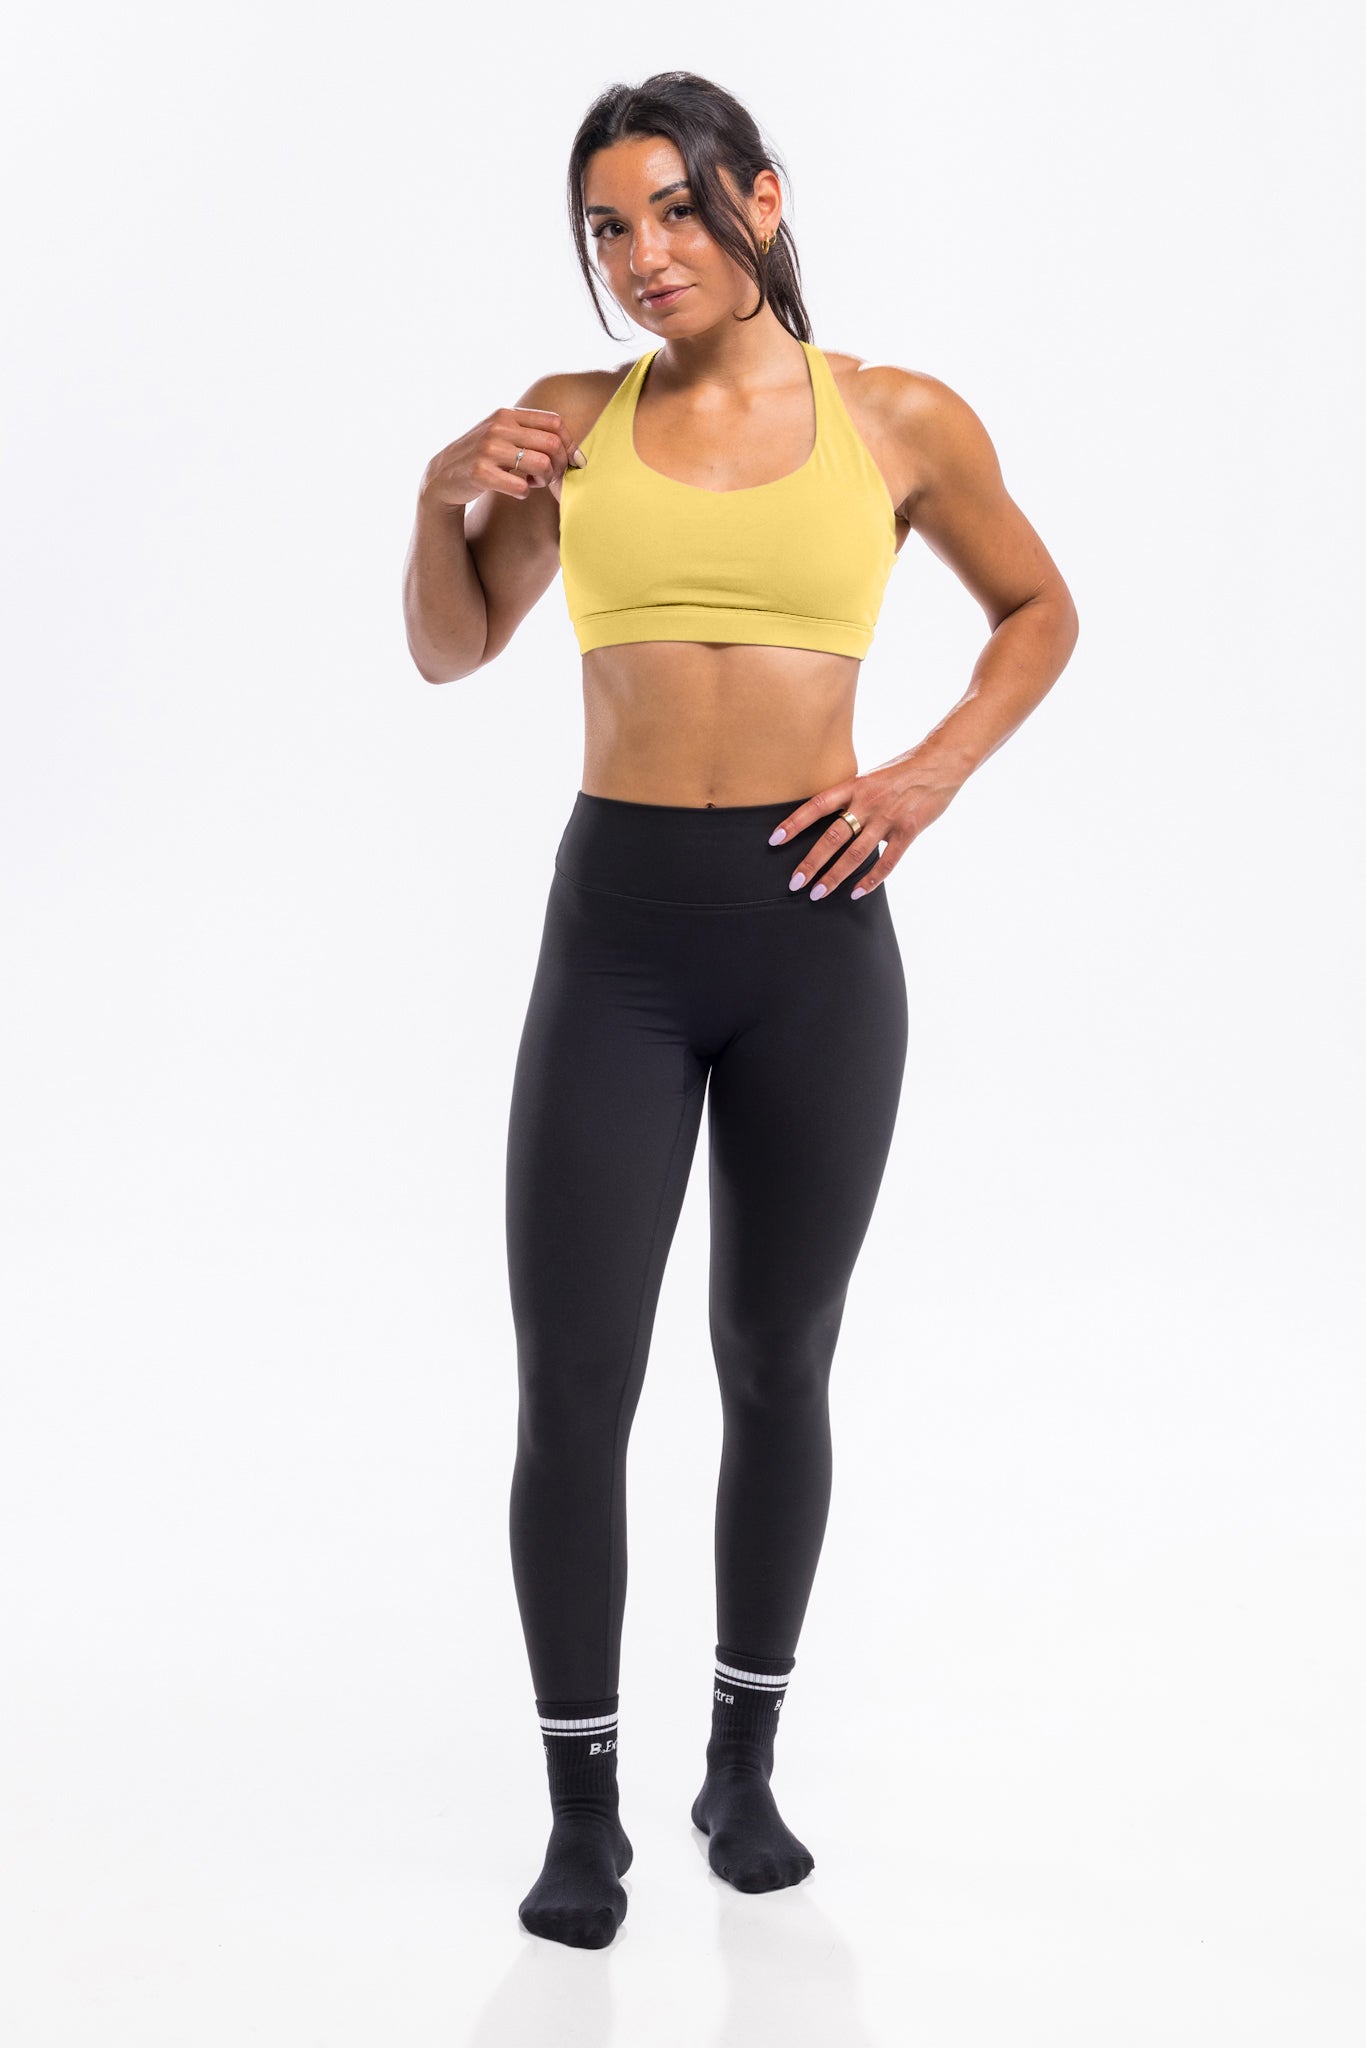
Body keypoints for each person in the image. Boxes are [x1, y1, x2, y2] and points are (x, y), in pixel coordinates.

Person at [401, 70, 1079, 1951]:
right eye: (609, 228)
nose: (644, 256)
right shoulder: (566, 421)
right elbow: (451, 647)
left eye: (677, 211)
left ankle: (742, 1765)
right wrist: (439, 497)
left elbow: (1036, 610)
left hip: (811, 942)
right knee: (575, 1383)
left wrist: (923, 776)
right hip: (615, 940)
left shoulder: (896, 418)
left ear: (758, 201)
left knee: (777, 1362)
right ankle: (581, 1810)